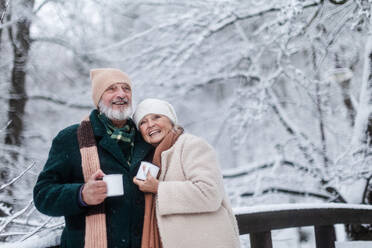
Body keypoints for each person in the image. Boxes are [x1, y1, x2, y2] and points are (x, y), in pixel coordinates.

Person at [33, 68, 154, 248]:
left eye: (126, 89)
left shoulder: (146, 139)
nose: (121, 94)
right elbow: (43, 196)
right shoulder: (71, 139)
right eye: (111, 89)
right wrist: (81, 194)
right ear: (98, 99)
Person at [132, 98, 240, 248]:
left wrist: (158, 188)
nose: (150, 124)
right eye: (143, 122)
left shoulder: (191, 145)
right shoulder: (150, 160)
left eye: (156, 117)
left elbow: (210, 193)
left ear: (171, 121)